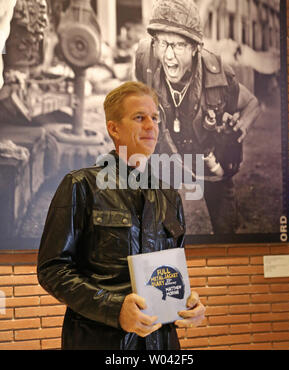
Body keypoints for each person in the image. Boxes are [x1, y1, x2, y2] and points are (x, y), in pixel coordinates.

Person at [37, 81, 205, 350]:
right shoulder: (81, 186)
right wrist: (114, 309)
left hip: (161, 345)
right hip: (98, 342)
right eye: (139, 118)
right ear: (113, 128)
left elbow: (171, 274)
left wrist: (187, 300)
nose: (151, 126)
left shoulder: (169, 195)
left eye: (155, 118)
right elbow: (52, 270)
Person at [135, 0, 261, 234]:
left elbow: (252, 103)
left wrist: (239, 128)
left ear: (195, 48)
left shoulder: (219, 77)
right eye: (163, 43)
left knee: (226, 232)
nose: (169, 56)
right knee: (158, 231)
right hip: (167, 153)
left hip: (208, 158)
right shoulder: (146, 57)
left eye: (179, 45)